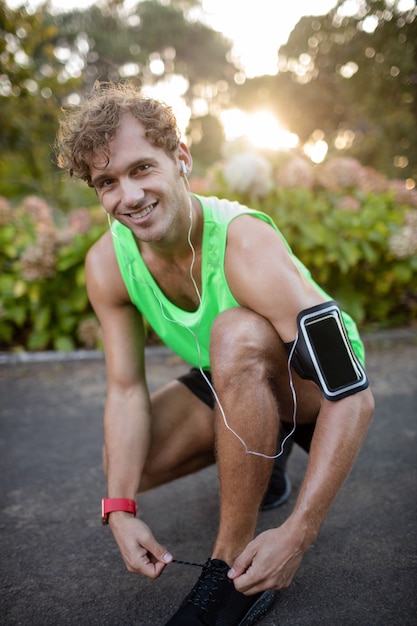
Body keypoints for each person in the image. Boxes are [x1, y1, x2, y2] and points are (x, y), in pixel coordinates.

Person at [56, 81, 374, 626]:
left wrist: (297, 533)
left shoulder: (246, 243)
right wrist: (120, 510)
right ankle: (264, 459)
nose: (127, 197)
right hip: (234, 377)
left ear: (180, 158)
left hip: (313, 390)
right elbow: (126, 389)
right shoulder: (108, 263)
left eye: (141, 169)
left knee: (233, 334)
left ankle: (230, 577)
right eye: (107, 183)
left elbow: (354, 396)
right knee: (128, 465)